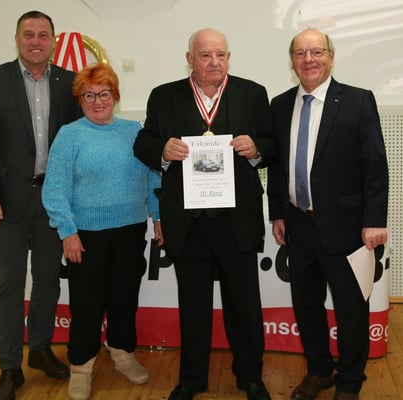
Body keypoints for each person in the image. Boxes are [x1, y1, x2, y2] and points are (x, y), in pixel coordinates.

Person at [133, 28, 276, 400]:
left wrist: (256, 148)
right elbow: (143, 143)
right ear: (189, 59)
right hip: (188, 221)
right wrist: (163, 150)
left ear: (229, 57)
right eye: (206, 55)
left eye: (221, 55)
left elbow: (272, 143)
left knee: (244, 304)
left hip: (237, 220)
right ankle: (192, 378)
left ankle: (250, 376)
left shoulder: (252, 93)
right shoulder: (164, 96)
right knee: (193, 304)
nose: (214, 62)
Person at [0, 10, 80, 400]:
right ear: (16, 39)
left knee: (48, 279)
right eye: (28, 34)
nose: (35, 41)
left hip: (53, 201)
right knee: (11, 284)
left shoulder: (69, 83)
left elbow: (78, 140)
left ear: (54, 41)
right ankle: (10, 367)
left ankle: (41, 349)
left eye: (43, 35)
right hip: (7, 203)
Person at [267, 28, 388, 400]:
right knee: (307, 306)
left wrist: (374, 221)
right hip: (298, 225)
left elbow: (375, 166)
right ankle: (319, 371)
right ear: (292, 61)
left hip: (347, 227)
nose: (309, 59)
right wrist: (277, 213)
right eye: (301, 53)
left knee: (351, 309)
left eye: (317, 51)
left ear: (331, 57)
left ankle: (350, 382)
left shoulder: (358, 101)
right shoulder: (280, 105)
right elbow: (277, 167)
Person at [41, 62, 163, 400]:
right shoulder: (69, 135)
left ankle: (122, 352)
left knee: (124, 298)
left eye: (104, 94)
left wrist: (158, 216)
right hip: (85, 234)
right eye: (89, 95)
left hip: (130, 230)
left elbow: (153, 178)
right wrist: (67, 231)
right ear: (80, 100)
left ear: (116, 96)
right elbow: (55, 188)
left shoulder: (135, 131)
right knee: (87, 304)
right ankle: (81, 366)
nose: (97, 101)